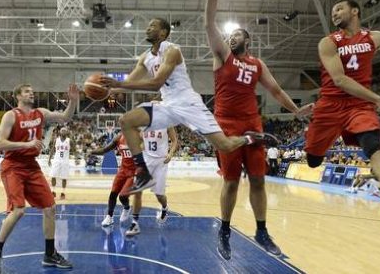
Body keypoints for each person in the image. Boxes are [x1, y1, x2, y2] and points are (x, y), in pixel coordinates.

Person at [100, 18, 279, 194]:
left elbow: (155, 83)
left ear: (163, 32)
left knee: (224, 145)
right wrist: (108, 90)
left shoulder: (172, 51)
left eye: (152, 26)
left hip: (188, 103)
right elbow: (129, 82)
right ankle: (143, 173)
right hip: (168, 105)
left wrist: (118, 84)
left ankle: (251, 138)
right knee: (126, 121)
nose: (147, 29)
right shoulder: (145, 58)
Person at [204, 0, 314, 260]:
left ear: (248, 40)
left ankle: (261, 231)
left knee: (258, 180)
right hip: (226, 123)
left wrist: (295, 111)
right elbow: (209, 23)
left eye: (237, 35)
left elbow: (275, 90)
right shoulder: (222, 55)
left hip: (252, 123)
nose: (232, 38)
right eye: (231, 36)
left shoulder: (257, 64)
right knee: (230, 182)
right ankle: (225, 230)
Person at [304, 0, 380, 220]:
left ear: (355, 11)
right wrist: (378, 99)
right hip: (330, 105)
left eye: (339, 8)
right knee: (313, 161)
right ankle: (319, 142)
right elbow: (339, 80)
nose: (334, 14)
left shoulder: (374, 38)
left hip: (359, 104)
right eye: (332, 11)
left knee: (373, 144)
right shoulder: (328, 43)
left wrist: (372, 100)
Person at [0, 83, 78, 273]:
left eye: (32, 91)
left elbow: (65, 117)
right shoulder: (11, 115)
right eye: (27, 91)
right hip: (13, 166)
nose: (32, 93)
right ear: (18, 96)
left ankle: (49, 254)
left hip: (31, 166)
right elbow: (0, 143)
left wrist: (73, 100)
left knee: (50, 208)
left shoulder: (40, 113)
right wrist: (27, 144)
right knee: (19, 210)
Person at [126, 126, 178, 236]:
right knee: (137, 190)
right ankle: (134, 223)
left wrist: (171, 153)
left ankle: (164, 207)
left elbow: (174, 141)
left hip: (161, 162)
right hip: (146, 161)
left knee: (159, 195)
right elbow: (139, 141)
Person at [92, 133, 135, 227]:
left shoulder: (139, 136)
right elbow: (104, 150)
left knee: (122, 197)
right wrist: (92, 152)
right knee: (113, 193)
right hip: (122, 170)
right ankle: (109, 217)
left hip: (133, 172)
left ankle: (127, 208)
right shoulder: (119, 137)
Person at [48, 127, 73, 200]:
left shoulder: (69, 140)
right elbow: (52, 149)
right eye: (62, 130)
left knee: (64, 178)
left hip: (65, 161)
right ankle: (53, 191)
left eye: (65, 130)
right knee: (53, 176)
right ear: (60, 132)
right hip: (56, 160)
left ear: (67, 132)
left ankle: (63, 192)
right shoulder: (56, 140)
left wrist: (77, 158)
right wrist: (49, 159)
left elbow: (74, 150)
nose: (64, 131)